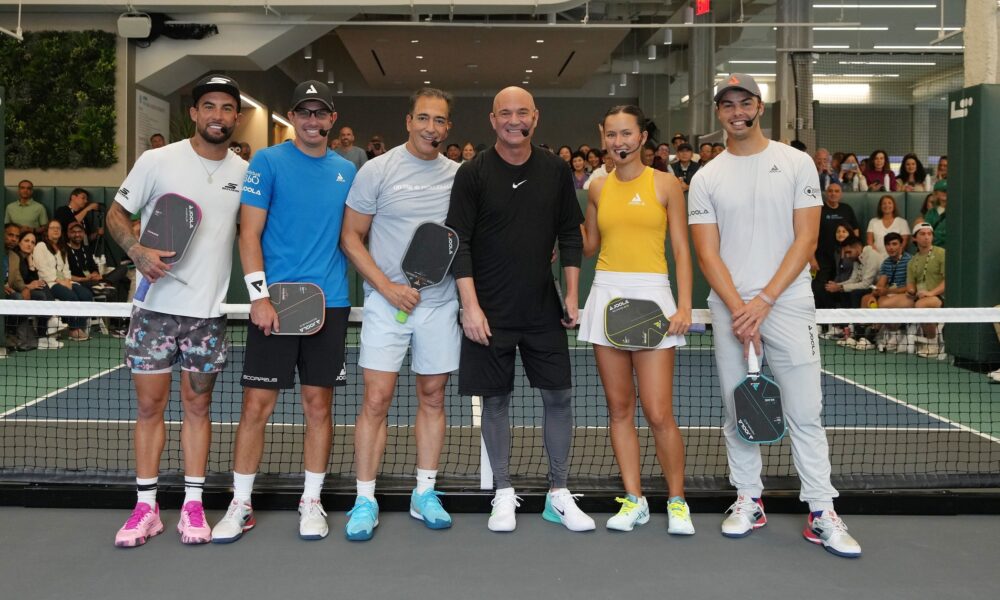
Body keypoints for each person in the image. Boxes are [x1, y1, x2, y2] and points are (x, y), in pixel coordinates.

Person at [688, 73, 861, 558]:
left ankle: (822, 510)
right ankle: (748, 499)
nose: (737, 111)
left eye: (746, 102)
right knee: (738, 409)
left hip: (787, 304)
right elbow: (708, 254)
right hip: (731, 307)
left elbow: (806, 239)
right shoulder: (706, 177)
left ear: (760, 107)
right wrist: (742, 308)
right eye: (728, 104)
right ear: (718, 113)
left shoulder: (796, 163)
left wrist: (763, 302)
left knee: (805, 411)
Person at [104, 74, 248, 547]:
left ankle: (192, 505)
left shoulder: (244, 172)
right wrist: (136, 251)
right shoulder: (157, 160)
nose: (218, 116)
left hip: (207, 315)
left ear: (236, 116)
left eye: (227, 108)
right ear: (193, 112)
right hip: (154, 311)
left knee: (198, 406)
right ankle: (145, 507)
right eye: (209, 106)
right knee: (149, 407)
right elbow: (116, 215)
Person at [211, 80, 355, 544]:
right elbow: (248, 234)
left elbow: (359, 234)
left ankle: (311, 500)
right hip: (275, 304)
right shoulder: (267, 162)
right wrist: (258, 296)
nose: (313, 121)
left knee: (319, 405)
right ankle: (240, 503)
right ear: (292, 117)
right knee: (257, 405)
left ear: (332, 119)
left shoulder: (348, 171)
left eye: (321, 113)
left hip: (329, 302)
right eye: (304, 112)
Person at [447, 86, 592, 533]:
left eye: (522, 112)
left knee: (560, 397)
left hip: (541, 309)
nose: (514, 120)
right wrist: (470, 308)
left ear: (536, 117)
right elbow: (460, 243)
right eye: (505, 113)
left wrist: (571, 295)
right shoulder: (472, 173)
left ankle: (559, 493)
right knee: (495, 402)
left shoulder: (553, 170)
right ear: (493, 120)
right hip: (488, 314)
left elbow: (571, 234)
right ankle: (504, 492)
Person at [339, 88, 461, 541]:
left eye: (440, 121)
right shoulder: (377, 170)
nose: (432, 127)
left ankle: (423, 492)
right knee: (376, 399)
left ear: (449, 128)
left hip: (439, 303)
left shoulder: (459, 175)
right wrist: (386, 288)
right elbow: (351, 237)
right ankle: (365, 498)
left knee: (433, 396)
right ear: (408, 121)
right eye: (424, 118)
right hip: (385, 303)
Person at [579, 104, 695, 534]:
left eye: (626, 134)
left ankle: (677, 500)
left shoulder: (666, 184)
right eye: (611, 135)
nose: (619, 142)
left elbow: (682, 250)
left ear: (642, 136)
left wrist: (683, 306)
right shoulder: (596, 186)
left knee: (660, 412)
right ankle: (635, 499)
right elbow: (589, 245)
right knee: (619, 408)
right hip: (606, 296)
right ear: (602, 136)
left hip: (653, 299)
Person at [877, 222, 945, 358]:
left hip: (938, 296)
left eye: (929, 234)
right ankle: (896, 333)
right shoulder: (913, 261)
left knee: (921, 305)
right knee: (884, 303)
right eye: (923, 234)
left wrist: (930, 293)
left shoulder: (941, 253)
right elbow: (910, 284)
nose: (926, 237)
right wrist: (912, 291)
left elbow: (947, 281)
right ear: (915, 238)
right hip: (917, 297)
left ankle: (933, 343)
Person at [32, 219, 94, 341]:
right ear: (46, 232)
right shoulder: (41, 246)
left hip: (65, 281)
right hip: (49, 282)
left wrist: (66, 280)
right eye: (52, 228)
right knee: (71, 296)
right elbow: (42, 268)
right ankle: (73, 329)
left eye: (58, 228)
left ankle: (80, 327)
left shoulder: (62, 248)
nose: (56, 230)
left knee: (86, 295)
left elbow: (65, 269)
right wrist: (59, 281)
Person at [6, 230, 63, 349]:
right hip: (17, 291)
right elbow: (18, 282)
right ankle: (49, 322)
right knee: (41, 294)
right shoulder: (15, 258)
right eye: (26, 241)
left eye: (33, 242)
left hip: (24, 289)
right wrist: (28, 286)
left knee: (42, 285)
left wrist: (31, 263)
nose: (29, 244)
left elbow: (33, 278)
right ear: (19, 243)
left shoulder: (27, 259)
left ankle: (50, 320)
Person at [811, 182, 859, 311]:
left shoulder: (846, 209)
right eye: (830, 191)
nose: (833, 193)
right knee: (819, 287)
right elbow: (810, 234)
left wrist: (855, 251)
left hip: (844, 257)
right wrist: (812, 257)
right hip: (822, 256)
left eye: (837, 191)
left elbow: (855, 231)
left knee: (840, 287)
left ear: (841, 194)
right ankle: (825, 320)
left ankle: (842, 324)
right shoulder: (819, 210)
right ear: (826, 193)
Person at [924, 180, 947, 247]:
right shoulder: (931, 213)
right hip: (934, 249)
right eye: (942, 191)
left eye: (947, 191)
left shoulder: (957, 212)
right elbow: (927, 231)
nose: (945, 193)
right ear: (936, 193)